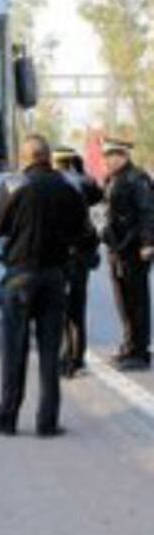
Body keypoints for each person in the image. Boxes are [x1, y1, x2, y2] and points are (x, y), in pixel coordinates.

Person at [0, 134, 86, 438]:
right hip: (55, 277)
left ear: (25, 158)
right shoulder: (69, 185)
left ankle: (6, 419)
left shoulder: (13, 184)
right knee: (51, 352)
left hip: (20, 276)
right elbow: (83, 230)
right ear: (48, 157)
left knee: (15, 350)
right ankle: (47, 422)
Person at [101, 138, 154, 371]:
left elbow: (147, 212)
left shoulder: (137, 178)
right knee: (123, 300)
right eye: (107, 156)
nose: (109, 160)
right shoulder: (112, 179)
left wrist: (148, 243)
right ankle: (129, 346)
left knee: (137, 300)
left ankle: (140, 352)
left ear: (124, 155)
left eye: (113, 155)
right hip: (117, 247)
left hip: (134, 248)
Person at [51, 146, 103, 378]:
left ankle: (65, 358)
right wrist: (81, 170)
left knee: (59, 309)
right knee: (77, 307)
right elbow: (98, 196)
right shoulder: (84, 182)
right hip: (80, 253)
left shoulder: (52, 183)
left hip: (58, 255)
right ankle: (77, 358)